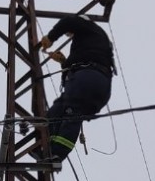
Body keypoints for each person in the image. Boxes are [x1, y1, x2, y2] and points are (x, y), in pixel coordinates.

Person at [38, 14, 115, 163]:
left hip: (87, 78)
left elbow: (68, 21)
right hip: (98, 85)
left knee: (71, 112)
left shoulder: (89, 28)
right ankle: (44, 147)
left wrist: (51, 37)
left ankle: (56, 153)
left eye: (70, 34)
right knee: (58, 112)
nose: (71, 36)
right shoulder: (94, 41)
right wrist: (64, 62)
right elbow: (76, 69)